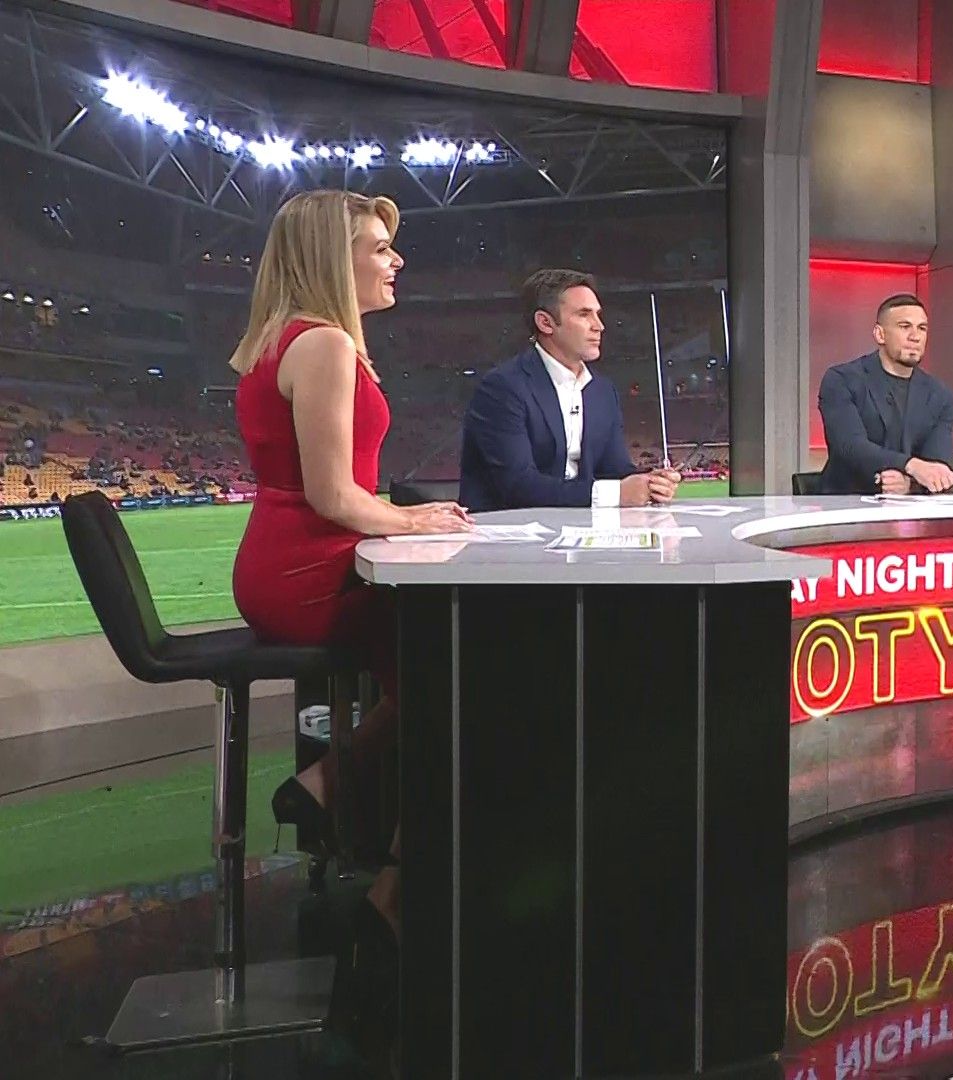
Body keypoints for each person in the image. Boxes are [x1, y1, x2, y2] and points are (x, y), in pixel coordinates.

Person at [229, 190, 471, 928]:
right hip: (307, 568)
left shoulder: (284, 339)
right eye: (380, 248)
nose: (397, 261)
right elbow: (333, 495)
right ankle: (393, 896)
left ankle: (331, 784)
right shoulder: (324, 345)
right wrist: (410, 518)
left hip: (289, 562)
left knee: (440, 666)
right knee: (458, 672)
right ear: (336, 260)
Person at [458, 269, 680, 512]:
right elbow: (517, 486)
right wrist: (614, 494)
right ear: (545, 323)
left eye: (597, 315)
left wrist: (650, 483)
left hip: (579, 524)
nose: (599, 326)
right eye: (584, 314)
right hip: (509, 528)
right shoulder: (503, 388)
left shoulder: (602, 391)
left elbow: (614, 470)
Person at [817, 293, 953, 496]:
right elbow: (850, 446)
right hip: (846, 503)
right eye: (904, 326)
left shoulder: (939, 395)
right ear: (880, 334)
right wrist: (910, 465)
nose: (915, 336)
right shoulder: (842, 380)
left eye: (922, 328)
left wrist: (909, 484)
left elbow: (936, 465)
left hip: (910, 510)